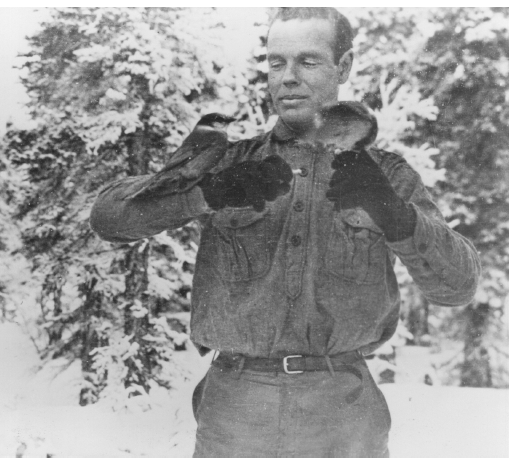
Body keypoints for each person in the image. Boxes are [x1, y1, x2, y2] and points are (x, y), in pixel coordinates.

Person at [90, 7, 481, 458]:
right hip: (235, 413)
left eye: (308, 61)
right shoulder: (227, 163)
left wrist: (396, 216)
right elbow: (108, 218)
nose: (288, 77)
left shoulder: (386, 174)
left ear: (345, 66)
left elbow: (459, 286)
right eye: (277, 62)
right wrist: (203, 196)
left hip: (343, 416)